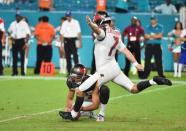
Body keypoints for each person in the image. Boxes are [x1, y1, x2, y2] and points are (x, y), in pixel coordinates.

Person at [59, 11, 172, 121]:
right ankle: (153, 81)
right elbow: (126, 51)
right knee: (133, 88)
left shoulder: (103, 32)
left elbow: (98, 31)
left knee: (79, 90)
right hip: (115, 69)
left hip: (104, 71)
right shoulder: (116, 34)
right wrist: (136, 63)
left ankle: (73, 114)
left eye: (97, 21)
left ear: (101, 21)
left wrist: (90, 24)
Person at [60, 10, 82, 75]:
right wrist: (61, 44)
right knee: (67, 57)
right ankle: (69, 72)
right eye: (67, 16)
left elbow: (78, 33)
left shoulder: (76, 22)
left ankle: (77, 71)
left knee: (75, 56)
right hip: (66, 40)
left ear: (71, 16)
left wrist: (80, 42)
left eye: (69, 16)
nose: (68, 17)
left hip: (74, 40)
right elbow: (62, 34)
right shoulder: (64, 23)